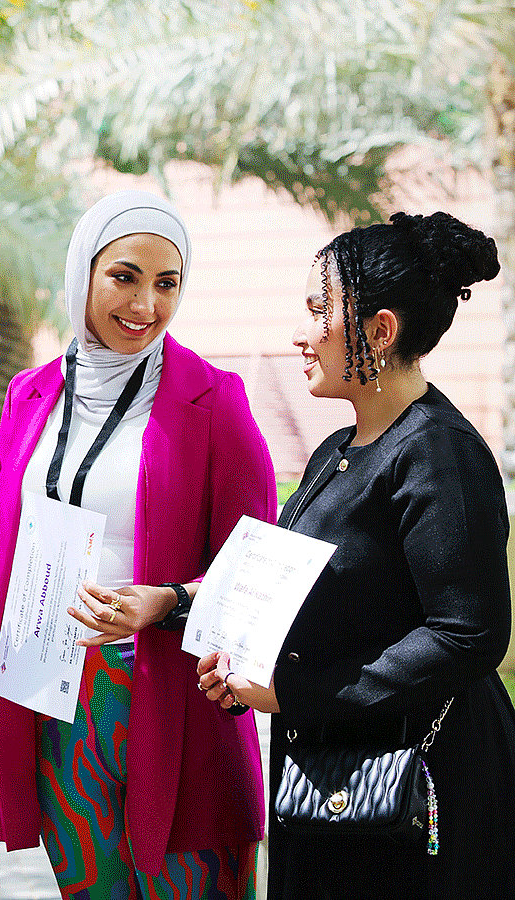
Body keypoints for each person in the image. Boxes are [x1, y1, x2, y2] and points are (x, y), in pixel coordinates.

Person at [0, 190, 274, 898]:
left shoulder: (215, 401)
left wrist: (165, 606)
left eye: (166, 283)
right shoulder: (31, 395)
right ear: (83, 273)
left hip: (174, 704)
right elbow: (21, 548)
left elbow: (255, 567)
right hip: (56, 696)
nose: (146, 303)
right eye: (125, 276)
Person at [198, 211, 515, 899]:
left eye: (319, 311)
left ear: (380, 330)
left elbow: (468, 634)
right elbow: (293, 588)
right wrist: (194, 623)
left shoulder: (438, 454)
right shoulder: (337, 452)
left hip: (417, 789)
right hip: (333, 779)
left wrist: (294, 693)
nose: (300, 334)